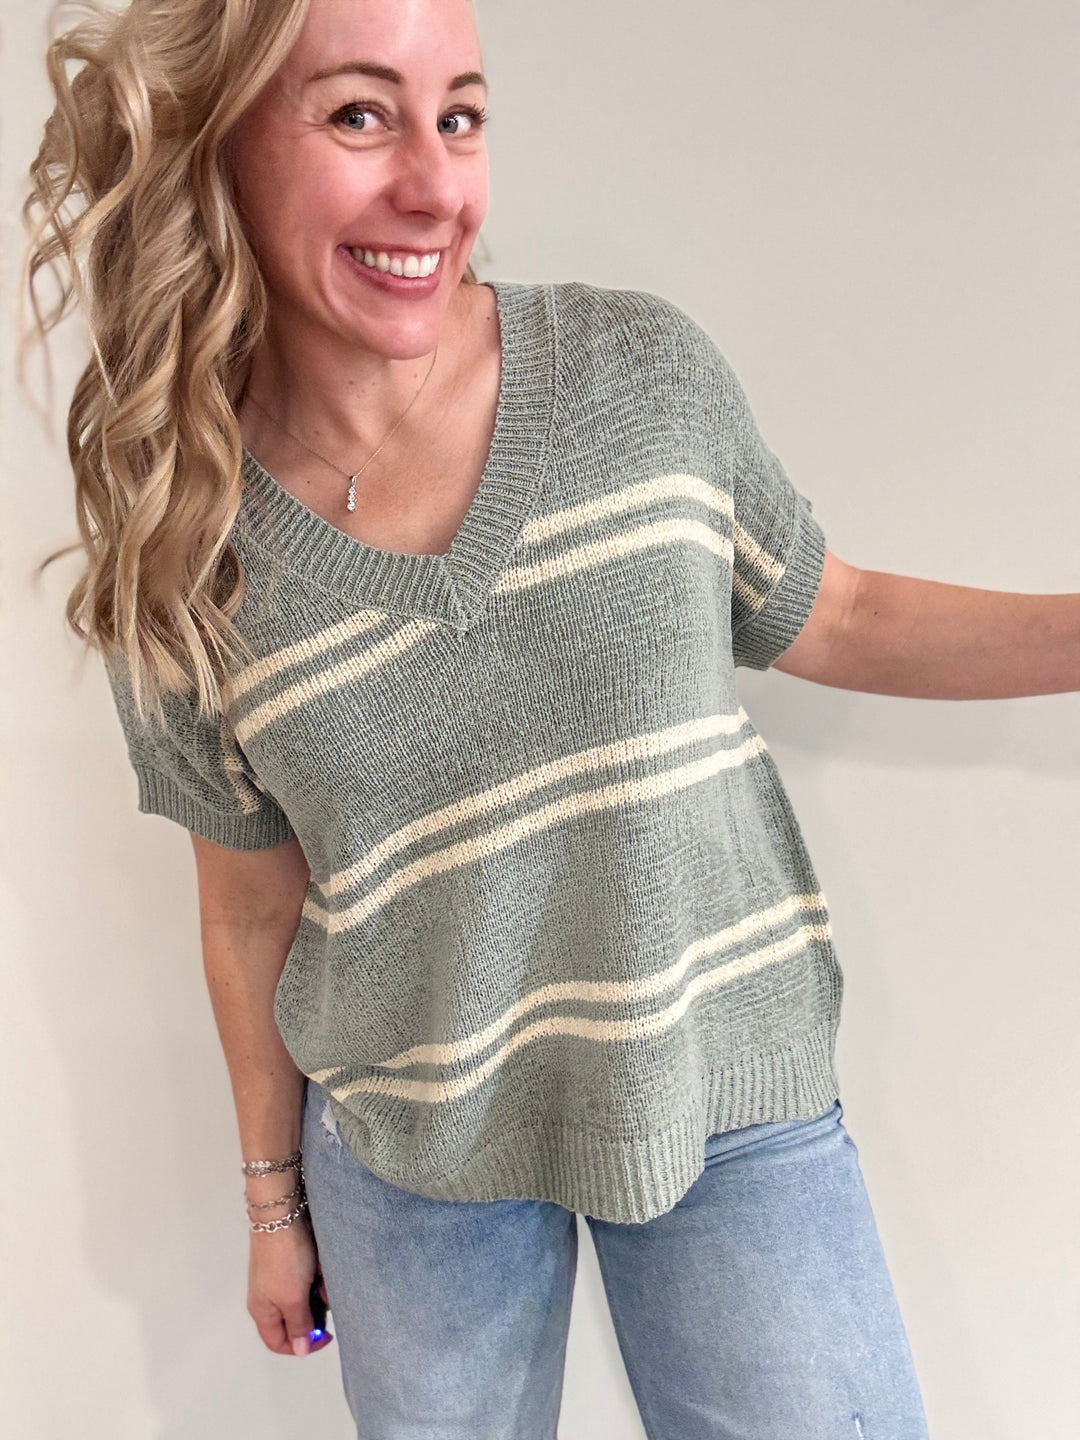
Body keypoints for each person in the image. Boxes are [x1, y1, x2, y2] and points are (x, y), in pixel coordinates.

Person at [23, 1, 1077, 1436]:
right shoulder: (182, 528)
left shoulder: (637, 376)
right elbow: (249, 903)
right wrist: (272, 1202)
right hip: (411, 1154)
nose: (434, 183)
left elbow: (838, 613)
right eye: (359, 114)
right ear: (220, 146)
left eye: (458, 116)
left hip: (721, 1089)